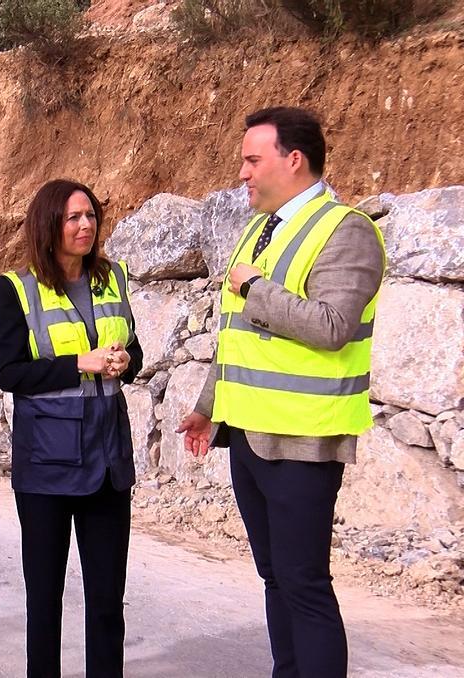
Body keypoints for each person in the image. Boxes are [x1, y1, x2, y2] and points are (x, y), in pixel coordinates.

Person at [176, 107, 386, 678]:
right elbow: (237, 338)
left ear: (293, 160)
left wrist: (258, 288)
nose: (242, 173)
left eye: (252, 159)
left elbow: (332, 325)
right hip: (248, 435)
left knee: (305, 584)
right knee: (275, 577)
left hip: (303, 441)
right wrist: (206, 407)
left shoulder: (346, 229)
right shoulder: (259, 228)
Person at [0, 178, 141, 678]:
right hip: (47, 468)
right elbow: (10, 374)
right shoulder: (15, 288)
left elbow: (133, 349)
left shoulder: (112, 277)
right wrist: (81, 362)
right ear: (48, 224)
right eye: (73, 217)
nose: (85, 226)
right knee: (45, 600)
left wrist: (124, 360)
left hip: (107, 462)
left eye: (91, 216)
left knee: (106, 600)